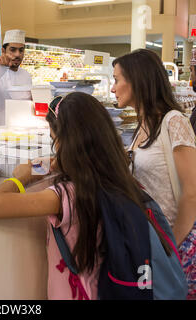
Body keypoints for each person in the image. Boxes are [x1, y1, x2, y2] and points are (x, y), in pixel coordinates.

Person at [0, 92, 151, 300]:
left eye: (54, 140)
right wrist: (41, 166)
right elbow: (55, 163)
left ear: (66, 142)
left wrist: (20, 180)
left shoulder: (65, 196)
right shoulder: (118, 178)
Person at [111, 48, 196, 299]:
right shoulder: (143, 126)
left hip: (174, 244)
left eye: (116, 80)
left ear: (138, 81)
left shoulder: (173, 121)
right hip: (152, 242)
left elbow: (192, 193)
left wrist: (173, 245)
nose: (113, 88)